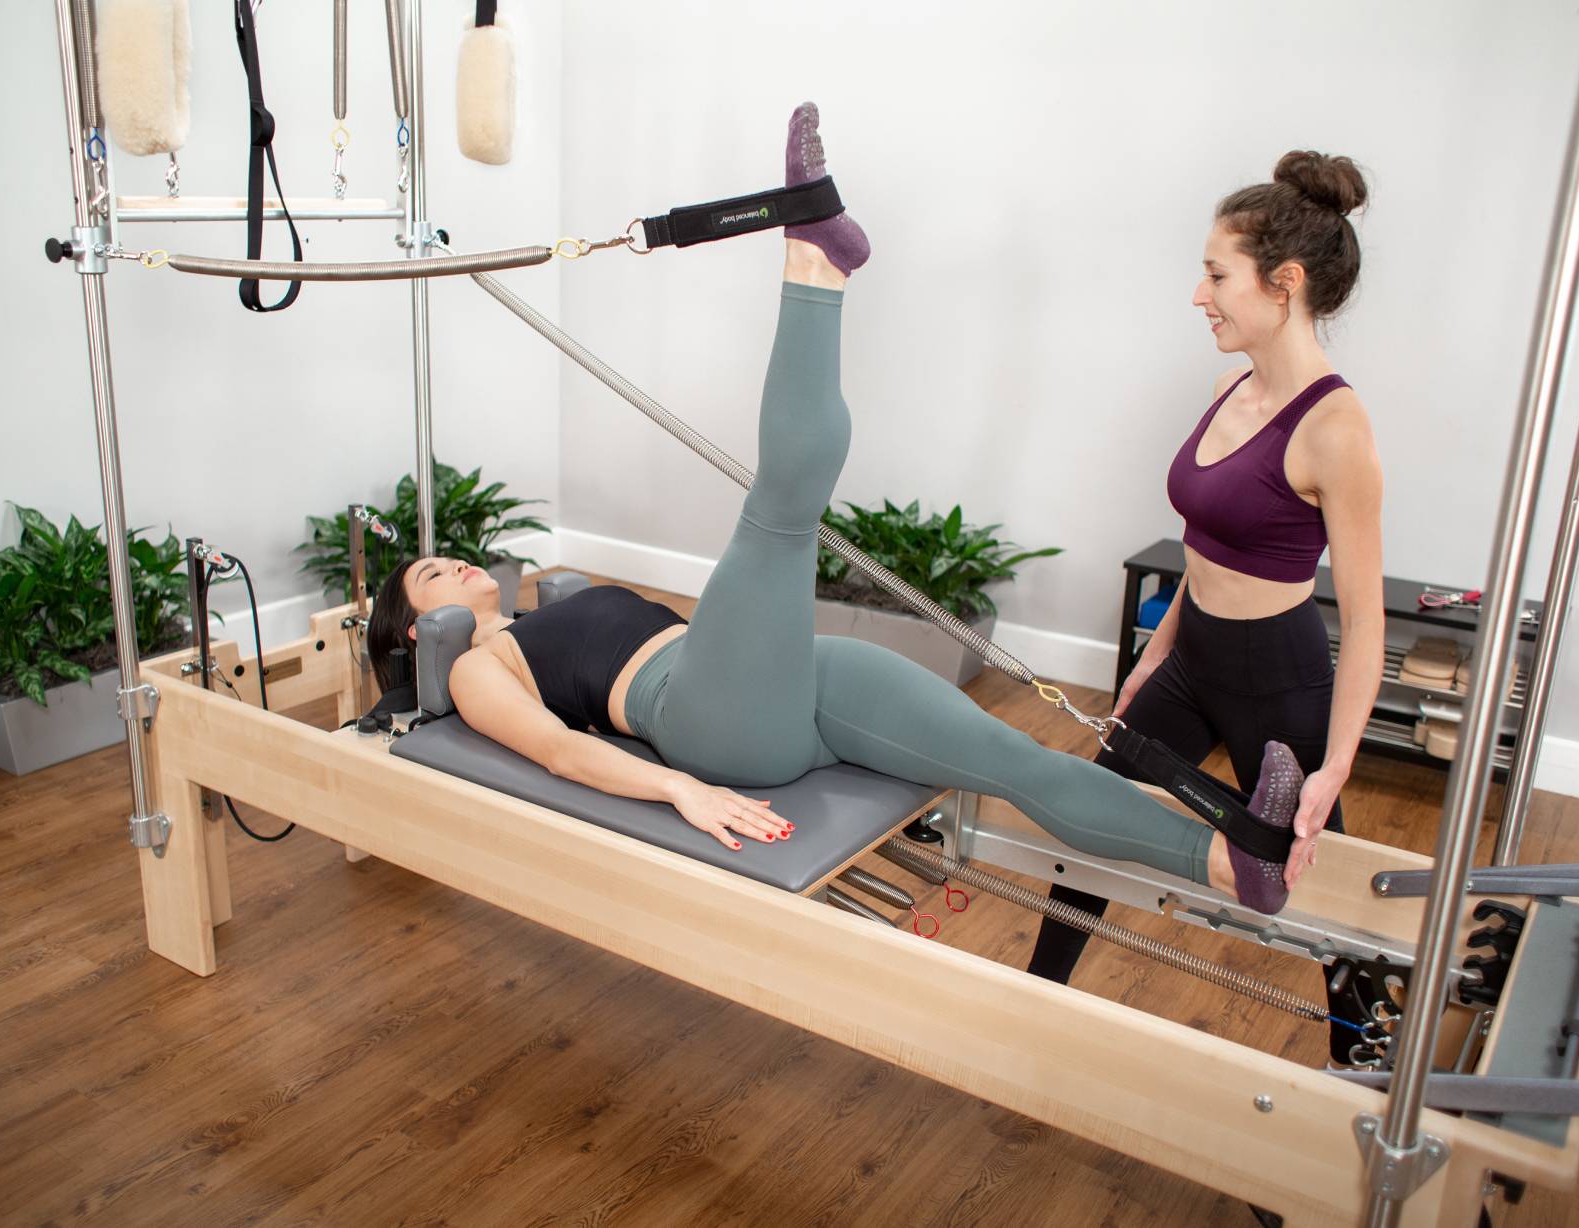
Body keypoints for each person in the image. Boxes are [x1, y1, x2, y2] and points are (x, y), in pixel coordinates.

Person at [368, 105, 1313, 915]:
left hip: (787, 684)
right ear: (420, 632)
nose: (449, 563)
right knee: (781, 508)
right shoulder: (481, 664)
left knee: (1015, 758)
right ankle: (813, 255)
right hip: (711, 718)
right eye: (427, 577)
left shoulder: (541, 607)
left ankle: (1238, 864)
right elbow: (557, 755)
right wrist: (681, 791)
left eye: (441, 559)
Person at [1027, 152, 1385, 997]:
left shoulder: (1337, 430)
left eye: (1216, 275)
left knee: (1326, 901)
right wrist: (1157, 651)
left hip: (1279, 680)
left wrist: (1335, 764)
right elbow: (1209, 542)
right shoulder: (1232, 387)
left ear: (1283, 282)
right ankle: (1038, 995)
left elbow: (1367, 623)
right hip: (1192, 664)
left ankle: (1365, 1055)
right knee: (1090, 821)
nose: (1200, 295)